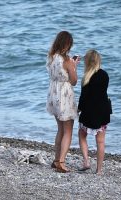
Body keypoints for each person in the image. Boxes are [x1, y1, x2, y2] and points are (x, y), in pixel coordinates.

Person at [46, 31, 79, 173]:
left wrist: (72, 64)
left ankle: (56, 160)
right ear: (67, 44)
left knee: (60, 129)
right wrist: (74, 66)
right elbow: (74, 81)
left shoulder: (52, 57)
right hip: (65, 96)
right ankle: (61, 162)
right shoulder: (67, 61)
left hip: (53, 94)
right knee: (68, 130)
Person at [78, 49, 112, 175]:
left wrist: (79, 109)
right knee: (101, 141)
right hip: (102, 112)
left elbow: (84, 97)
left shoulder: (86, 78)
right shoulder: (105, 75)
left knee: (82, 135)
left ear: (87, 62)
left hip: (88, 112)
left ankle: (86, 161)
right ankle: (99, 170)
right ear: (98, 61)